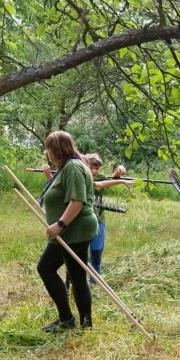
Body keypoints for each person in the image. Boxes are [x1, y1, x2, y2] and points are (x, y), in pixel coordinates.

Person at [36, 131, 99, 332]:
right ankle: (72, 320)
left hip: (75, 230)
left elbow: (77, 200)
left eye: (49, 148)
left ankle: (77, 322)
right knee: (68, 273)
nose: (47, 153)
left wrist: (59, 225)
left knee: (57, 270)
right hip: (68, 231)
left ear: (57, 148)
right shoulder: (66, 167)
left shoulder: (73, 167)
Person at [81, 154, 129, 277]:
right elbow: (99, 185)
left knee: (96, 251)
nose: (94, 171)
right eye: (91, 168)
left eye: (97, 168)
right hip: (81, 221)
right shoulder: (80, 178)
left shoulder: (100, 177)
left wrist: (119, 171)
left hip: (99, 220)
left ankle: (95, 281)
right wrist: (121, 180)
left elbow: (109, 180)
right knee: (79, 254)